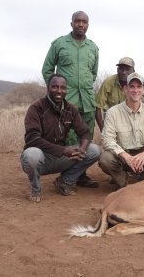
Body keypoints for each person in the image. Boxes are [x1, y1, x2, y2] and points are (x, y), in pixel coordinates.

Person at [21, 74, 101, 202]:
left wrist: (82, 149)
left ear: (66, 90)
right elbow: (32, 138)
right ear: (48, 87)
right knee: (31, 154)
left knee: (94, 150)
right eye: (55, 87)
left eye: (63, 88)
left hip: (61, 158)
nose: (59, 91)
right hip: (42, 157)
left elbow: (85, 133)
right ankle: (35, 188)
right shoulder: (36, 108)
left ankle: (65, 181)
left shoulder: (70, 109)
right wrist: (63, 150)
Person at [42, 10, 99, 188]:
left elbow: (93, 74)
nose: (81, 24)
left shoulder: (93, 47)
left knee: (86, 138)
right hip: (67, 101)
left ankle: (80, 174)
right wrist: (57, 94)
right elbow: (47, 70)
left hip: (87, 102)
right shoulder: (60, 44)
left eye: (84, 22)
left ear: (88, 25)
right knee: (68, 138)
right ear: (71, 23)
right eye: (77, 21)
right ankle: (67, 174)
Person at [95, 57, 135, 131]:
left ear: (133, 71)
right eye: (121, 69)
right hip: (112, 122)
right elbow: (98, 107)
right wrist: (103, 129)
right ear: (117, 70)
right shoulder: (108, 82)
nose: (123, 72)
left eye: (127, 69)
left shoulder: (137, 83)